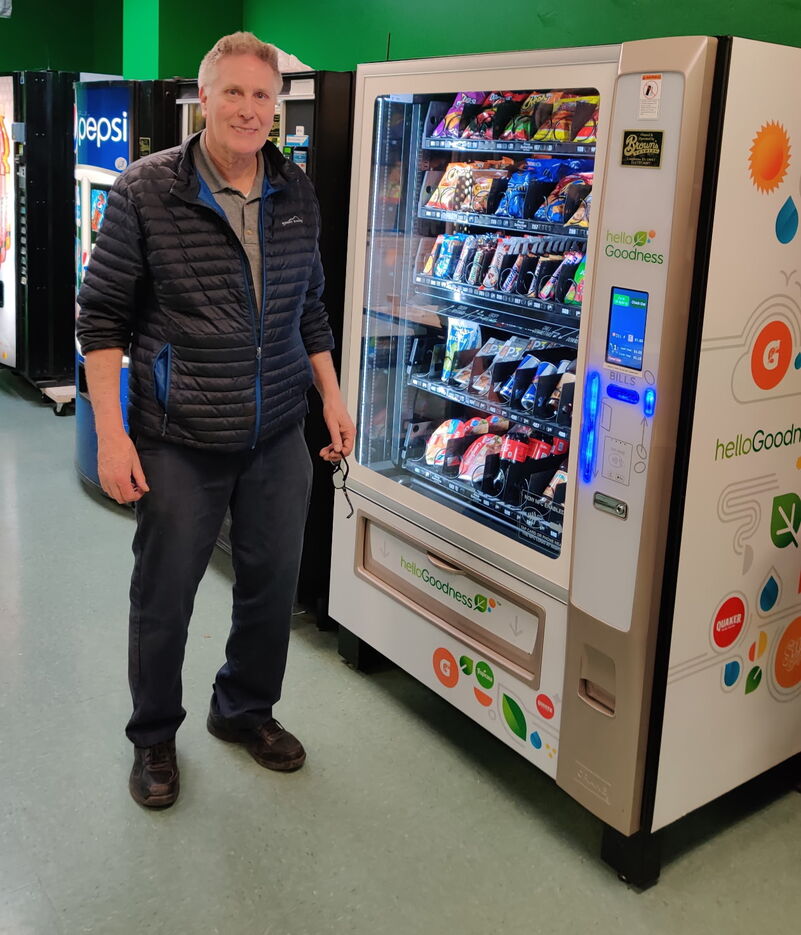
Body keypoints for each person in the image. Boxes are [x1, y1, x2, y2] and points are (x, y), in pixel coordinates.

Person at [77, 32, 355, 809]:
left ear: (276, 107)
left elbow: (309, 307)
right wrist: (112, 435)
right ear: (204, 99)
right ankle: (154, 736)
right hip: (179, 437)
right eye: (232, 92)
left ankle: (243, 709)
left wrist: (331, 397)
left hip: (277, 431)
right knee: (164, 596)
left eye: (262, 95)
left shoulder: (295, 191)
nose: (248, 108)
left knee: (270, 585)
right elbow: (100, 319)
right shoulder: (146, 190)